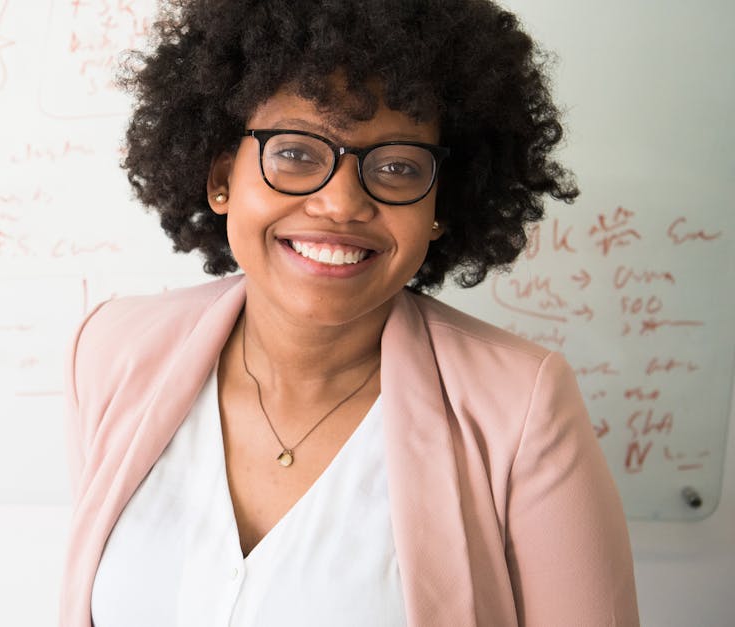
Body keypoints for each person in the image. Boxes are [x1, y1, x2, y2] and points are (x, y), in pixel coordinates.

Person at [60, 0, 639, 625]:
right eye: (296, 153)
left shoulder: (521, 406)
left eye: (396, 167)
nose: (340, 204)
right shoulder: (112, 351)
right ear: (221, 177)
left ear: (441, 205)